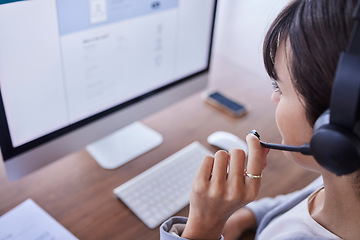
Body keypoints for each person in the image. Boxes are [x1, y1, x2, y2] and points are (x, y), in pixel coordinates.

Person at [160, 0, 360, 239]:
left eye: (280, 88)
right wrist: (247, 217)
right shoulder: (343, 185)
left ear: (334, 129)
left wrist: (204, 225)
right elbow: (300, 199)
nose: (273, 97)